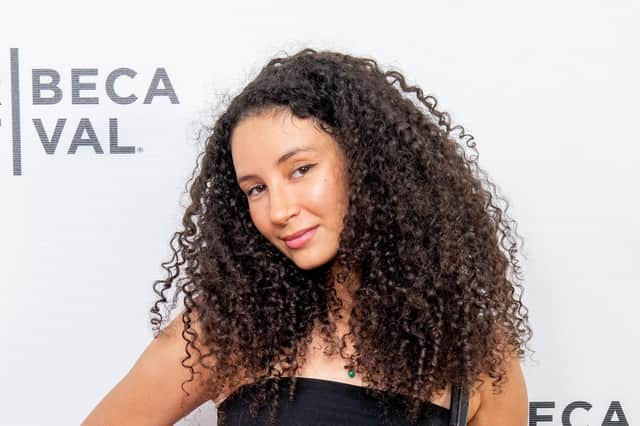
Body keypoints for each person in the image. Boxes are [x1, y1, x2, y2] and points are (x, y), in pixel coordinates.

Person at [82, 48, 531, 425]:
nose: (278, 210)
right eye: (255, 189)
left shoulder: (477, 354)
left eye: (300, 170)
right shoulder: (227, 329)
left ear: (367, 162)